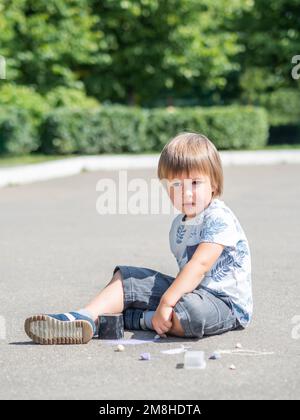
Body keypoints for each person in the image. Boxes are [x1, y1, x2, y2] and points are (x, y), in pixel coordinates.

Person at [24, 132, 252, 344]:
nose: (186, 192)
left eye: (195, 183)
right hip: (190, 294)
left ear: (213, 184)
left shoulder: (218, 217)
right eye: (176, 185)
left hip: (224, 304)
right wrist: (169, 299)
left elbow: (199, 265)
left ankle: (140, 319)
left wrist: (167, 301)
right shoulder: (177, 227)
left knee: (191, 313)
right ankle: (85, 318)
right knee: (128, 279)